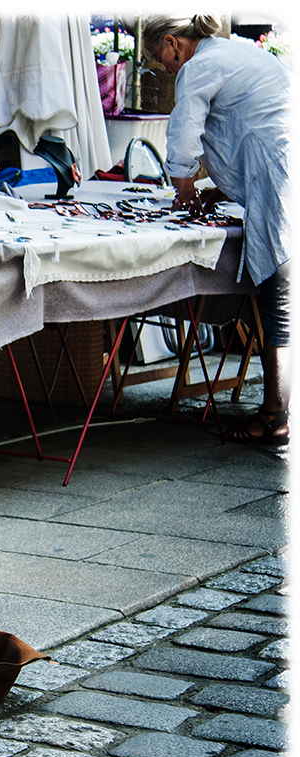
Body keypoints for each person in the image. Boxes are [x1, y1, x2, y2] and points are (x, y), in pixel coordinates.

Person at [142, 15, 292, 444]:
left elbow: (186, 129)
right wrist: (217, 189)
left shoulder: (198, 66)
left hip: (278, 179)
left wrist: (185, 185)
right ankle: (277, 410)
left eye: (159, 58)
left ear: (173, 43)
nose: (164, 68)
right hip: (280, 171)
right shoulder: (240, 52)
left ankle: (275, 416)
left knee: (278, 300)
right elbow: (245, 129)